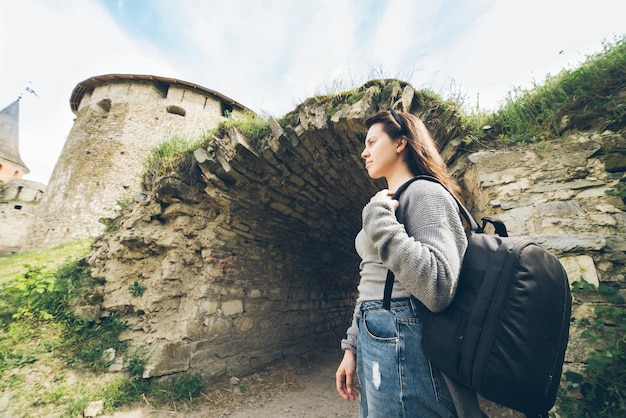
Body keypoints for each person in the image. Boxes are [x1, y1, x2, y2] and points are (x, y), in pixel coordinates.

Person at [335, 108, 485, 417]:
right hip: (375, 330)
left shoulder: (425, 193)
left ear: (401, 143)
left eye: (373, 142)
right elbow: (372, 278)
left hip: (403, 332)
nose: (364, 152)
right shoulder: (387, 200)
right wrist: (352, 347)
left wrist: (377, 219)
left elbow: (438, 286)